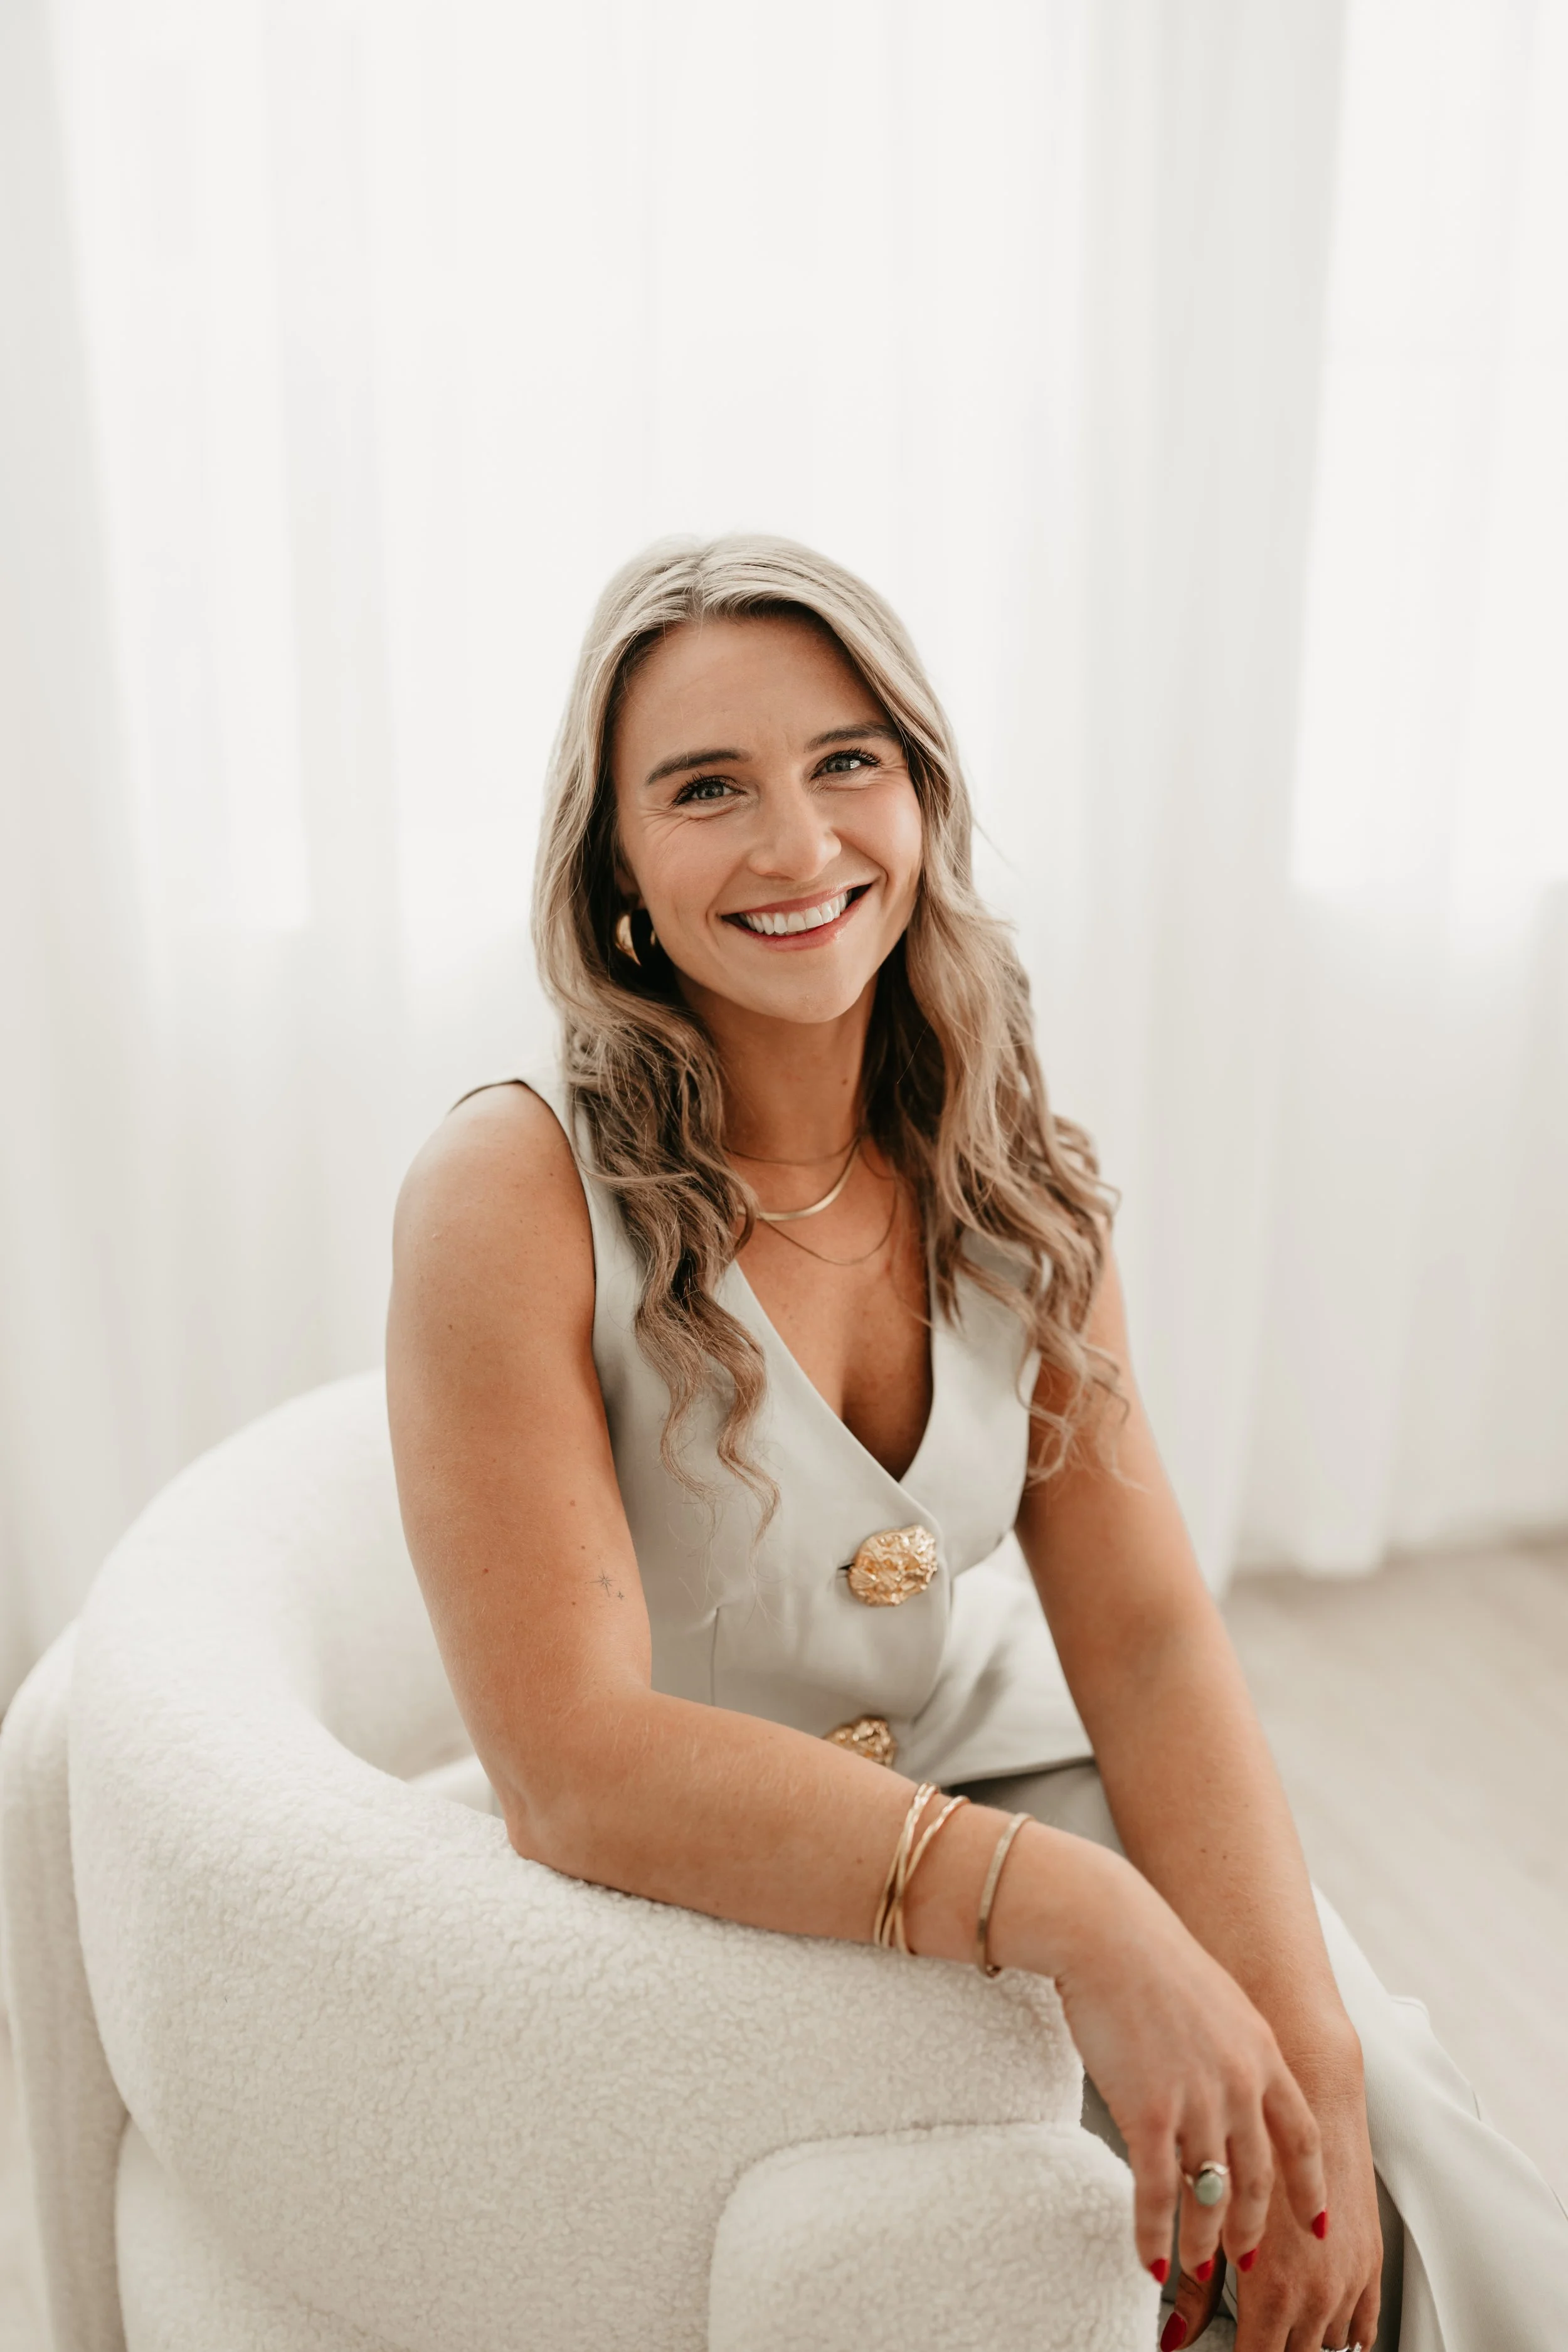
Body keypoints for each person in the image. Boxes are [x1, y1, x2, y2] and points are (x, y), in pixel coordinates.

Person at [385, 535, 1566, 2351]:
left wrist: (1314, 2047)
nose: (796, 845)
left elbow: (1148, 1639)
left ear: (923, 795)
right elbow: (571, 1765)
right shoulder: (509, 1182)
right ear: (612, 864)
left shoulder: (1005, 1160)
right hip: (691, 1868)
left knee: (1368, 2130)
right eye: (706, 789)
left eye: (845, 760)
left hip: (991, 1758)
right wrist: (1075, 1912)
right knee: (1096, 2206)